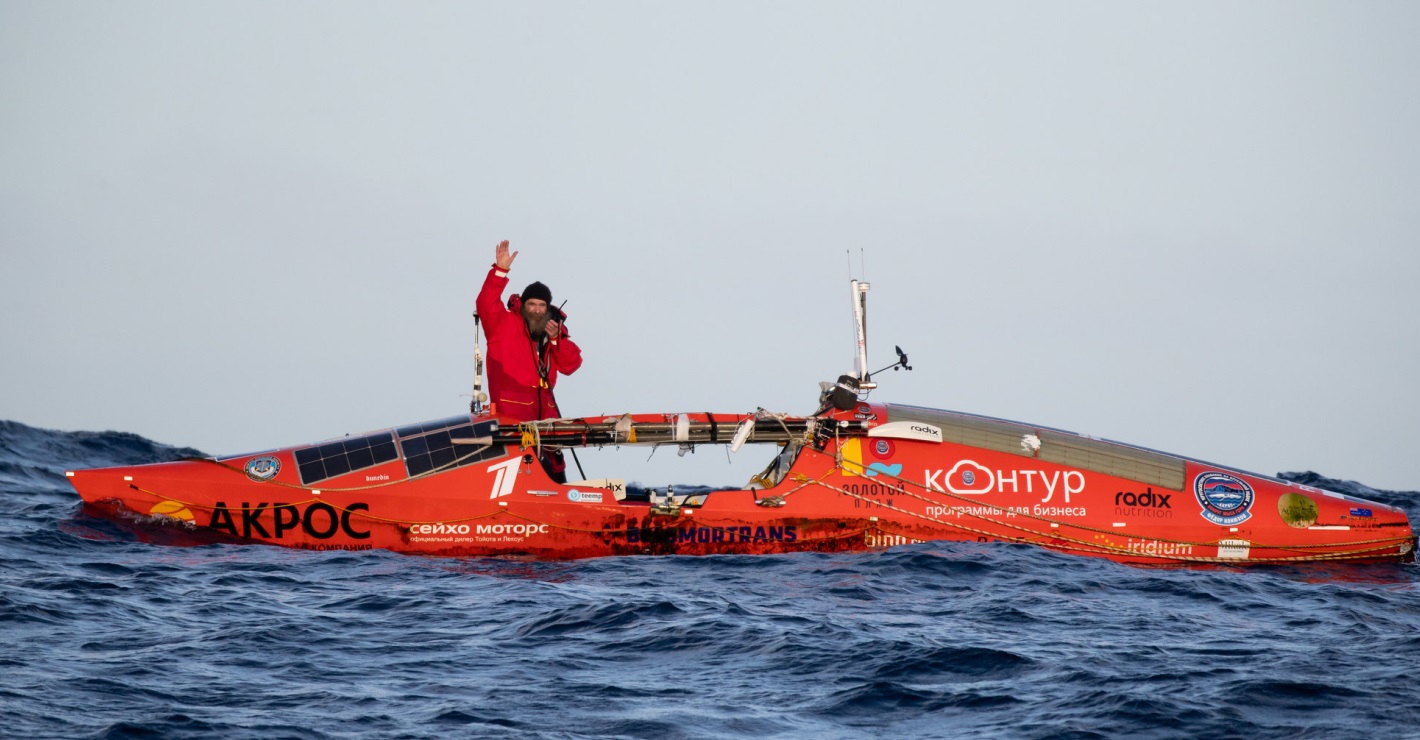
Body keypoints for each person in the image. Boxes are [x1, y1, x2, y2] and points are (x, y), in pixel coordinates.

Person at [477, 240, 583, 481]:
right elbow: (485, 304)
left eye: (541, 305)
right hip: (510, 413)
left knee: (555, 471)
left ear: (548, 308)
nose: (536, 310)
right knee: (517, 469)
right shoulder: (502, 325)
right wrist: (500, 271)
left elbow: (571, 365)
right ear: (523, 305)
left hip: (546, 415)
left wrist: (556, 341)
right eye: (531, 304)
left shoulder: (554, 332)